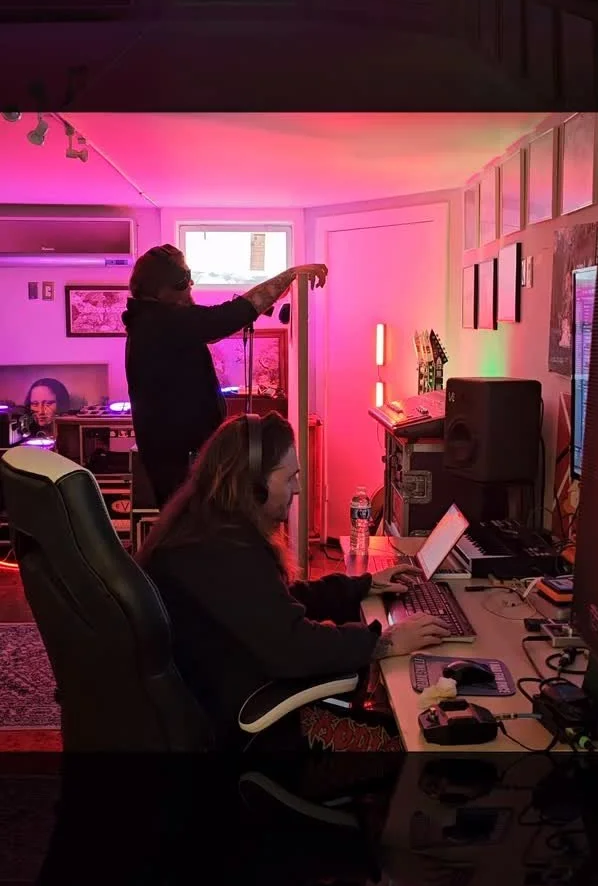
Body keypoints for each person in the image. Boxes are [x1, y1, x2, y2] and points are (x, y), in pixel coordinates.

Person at [137, 411, 449, 751]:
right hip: (245, 728)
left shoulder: (208, 529)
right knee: (404, 744)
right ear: (254, 485)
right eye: (289, 478)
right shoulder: (224, 549)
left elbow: (274, 602)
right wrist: (384, 643)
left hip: (229, 694)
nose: (298, 488)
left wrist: (362, 585)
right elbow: (293, 646)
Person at [123, 243, 328, 508]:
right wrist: (289, 276)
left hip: (178, 457)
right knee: (196, 523)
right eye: (183, 280)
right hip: (181, 461)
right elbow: (226, 317)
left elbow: (216, 326)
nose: (190, 284)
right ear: (159, 291)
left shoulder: (150, 321)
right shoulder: (161, 323)